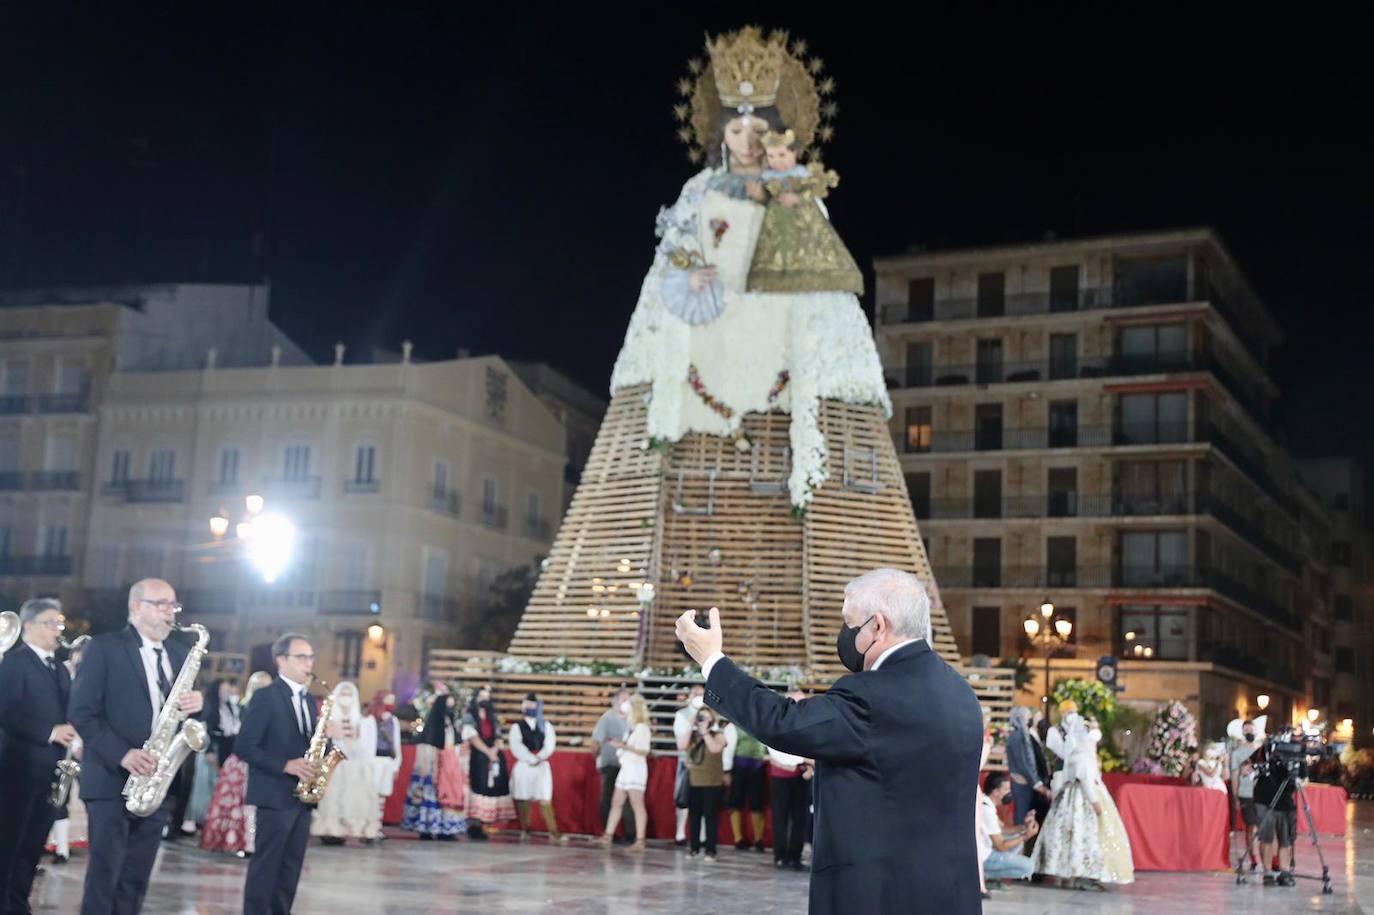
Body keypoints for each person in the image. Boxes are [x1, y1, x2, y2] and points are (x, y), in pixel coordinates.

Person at [675, 567, 984, 914]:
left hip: (878, 895)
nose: (845, 633)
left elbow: (783, 722)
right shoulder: (960, 692)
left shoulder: (871, 694)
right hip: (950, 894)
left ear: (878, 626)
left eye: (849, 622)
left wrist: (711, 661)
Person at [68, 578, 204, 915]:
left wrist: (199, 704)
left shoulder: (179, 652)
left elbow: (182, 716)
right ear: (136, 607)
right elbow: (82, 713)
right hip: (111, 779)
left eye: (173, 604)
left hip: (158, 781)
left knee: (136, 878)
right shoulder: (104, 648)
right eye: (161, 604)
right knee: (105, 875)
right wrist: (123, 754)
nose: (169, 612)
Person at [236, 633, 333, 915]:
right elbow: (244, 746)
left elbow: (304, 742)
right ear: (281, 660)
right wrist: (285, 765)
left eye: (311, 657)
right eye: (301, 657)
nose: (309, 663)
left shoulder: (308, 700)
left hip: (301, 797)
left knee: (291, 867)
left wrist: (327, 742)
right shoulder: (266, 697)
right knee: (266, 866)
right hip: (274, 793)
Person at [0, 599, 77, 914]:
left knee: (32, 847)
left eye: (58, 623)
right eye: (50, 623)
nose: (56, 630)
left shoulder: (59, 667)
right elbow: (6, 712)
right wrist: (50, 731)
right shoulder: (15, 662)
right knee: (8, 843)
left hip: (50, 770)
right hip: (17, 768)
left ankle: (18, 904)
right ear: (28, 626)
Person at [745, 128, 862, 294]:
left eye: (782, 155)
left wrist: (798, 199)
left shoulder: (803, 176)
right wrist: (758, 195)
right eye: (771, 156)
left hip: (802, 226)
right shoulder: (767, 177)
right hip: (775, 228)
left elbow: (815, 199)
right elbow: (766, 201)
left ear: (795, 153)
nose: (777, 162)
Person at [1030, 704, 1134, 889]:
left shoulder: (1075, 753)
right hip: (1085, 798)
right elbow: (1085, 779)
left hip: (1071, 795)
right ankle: (1084, 874)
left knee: (1069, 836)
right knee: (1084, 836)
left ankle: (1068, 873)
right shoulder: (1082, 755)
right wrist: (1095, 802)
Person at [200, 671, 272, 857]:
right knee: (237, 802)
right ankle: (238, 840)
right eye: (257, 685)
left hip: (263, 762)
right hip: (242, 761)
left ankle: (252, 842)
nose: (261, 689)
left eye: (266, 685)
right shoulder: (242, 707)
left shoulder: (271, 708)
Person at [311, 680, 381, 844]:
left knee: (356, 799)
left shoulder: (362, 720)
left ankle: (359, 830)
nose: (346, 698)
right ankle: (331, 831)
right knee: (334, 797)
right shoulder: (327, 718)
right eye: (343, 694)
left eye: (349, 695)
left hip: (355, 764)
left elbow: (366, 746)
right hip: (334, 765)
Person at [402, 685, 466, 840]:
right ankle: (427, 828)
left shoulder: (448, 722)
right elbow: (428, 744)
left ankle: (446, 830)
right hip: (433, 766)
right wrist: (428, 766)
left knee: (447, 795)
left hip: (448, 766)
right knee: (430, 795)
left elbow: (454, 743)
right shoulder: (434, 724)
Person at [50, 633, 90, 866]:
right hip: (62, 741)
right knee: (58, 797)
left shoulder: (91, 676)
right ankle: (61, 850)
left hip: (84, 744)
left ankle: (65, 846)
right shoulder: (61, 672)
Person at [1253, 727, 1306, 888]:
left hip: (1285, 800)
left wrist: (1297, 781)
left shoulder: (1298, 753)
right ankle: (1268, 873)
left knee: (1286, 839)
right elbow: (1249, 767)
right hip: (1264, 798)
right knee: (1267, 837)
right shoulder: (1266, 749)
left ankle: (1285, 872)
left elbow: (1303, 777)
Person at [766, 688, 812, 871]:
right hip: (782, 778)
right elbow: (779, 753)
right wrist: (804, 760)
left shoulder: (807, 724)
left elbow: (813, 748)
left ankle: (795, 857)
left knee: (800, 818)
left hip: (801, 777)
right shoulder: (777, 723)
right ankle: (780, 856)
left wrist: (809, 766)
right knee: (781, 818)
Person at [509, 692, 563, 842]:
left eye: (532, 704)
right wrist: (530, 758)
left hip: (541, 765)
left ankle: (553, 832)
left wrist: (539, 757)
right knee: (523, 797)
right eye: (526, 704)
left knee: (545, 797)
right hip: (524, 764)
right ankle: (525, 829)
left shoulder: (545, 725)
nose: (529, 707)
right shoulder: (516, 726)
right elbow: (516, 745)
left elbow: (550, 744)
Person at [600, 694, 651, 852]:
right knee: (617, 801)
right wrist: (621, 746)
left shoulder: (642, 728)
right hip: (627, 767)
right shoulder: (631, 728)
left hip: (636, 768)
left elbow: (644, 751)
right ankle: (608, 835)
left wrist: (623, 747)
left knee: (637, 804)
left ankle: (640, 840)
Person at [461, 685, 512, 838]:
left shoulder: (492, 715)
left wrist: (494, 751)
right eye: (481, 696)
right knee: (479, 785)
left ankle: (488, 823)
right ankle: (475, 824)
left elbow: (498, 735)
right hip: (478, 754)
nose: (484, 699)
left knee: (495, 785)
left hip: (494, 754)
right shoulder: (469, 715)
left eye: (486, 696)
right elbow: (472, 736)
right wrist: (487, 752)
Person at [591, 688, 636, 843]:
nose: (626, 703)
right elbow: (596, 742)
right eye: (623, 699)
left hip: (627, 764)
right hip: (609, 763)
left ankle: (631, 833)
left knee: (628, 799)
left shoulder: (631, 719)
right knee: (608, 797)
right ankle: (608, 832)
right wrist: (598, 759)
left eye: (628, 700)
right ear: (615, 701)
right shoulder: (607, 718)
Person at [977, 773, 1038, 886]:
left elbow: (1002, 828)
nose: (1009, 793)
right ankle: (982, 876)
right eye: (1006, 789)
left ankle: (987, 875)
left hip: (985, 849)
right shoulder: (986, 811)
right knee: (1029, 867)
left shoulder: (986, 803)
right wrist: (1026, 836)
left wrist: (1024, 827)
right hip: (984, 857)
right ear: (995, 792)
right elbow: (1001, 845)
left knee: (1016, 838)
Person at [686, 704, 728, 860]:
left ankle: (711, 850)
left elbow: (715, 749)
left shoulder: (718, 735)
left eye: (706, 717)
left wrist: (705, 732)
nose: (703, 720)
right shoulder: (693, 736)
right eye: (700, 717)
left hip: (712, 783)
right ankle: (694, 848)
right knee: (694, 817)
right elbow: (682, 745)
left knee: (711, 818)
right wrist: (690, 725)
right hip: (695, 782)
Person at [1005, 706, 1052, 832]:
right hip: (1022, 784)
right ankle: (1019, 849)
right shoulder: (1017, 736)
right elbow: (1023, 765)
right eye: (1027, 716)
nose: (1029, 719)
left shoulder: (1022, 735)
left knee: (1028, 819)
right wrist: (1037, 784)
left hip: (1027, 783)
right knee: (1022, 821)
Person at [1229, 717, 1264, 870]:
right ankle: (1254, 859)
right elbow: (1235, 776)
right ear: (1242, 732)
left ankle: (1259, 858)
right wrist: (1236, 796)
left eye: (1252, 729)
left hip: (1261, 794)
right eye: (1246, 730)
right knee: (1252, 827)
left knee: (1257, 828)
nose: (1249, 732)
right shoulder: (1237, 753)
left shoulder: (1261, 751)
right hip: (1245, 794)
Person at [671, 686, 704, 845]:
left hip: (705, 762)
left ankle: (703, 836)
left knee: (705, 799)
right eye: (695, 694)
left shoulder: (709, 713)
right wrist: (692, 719)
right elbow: (681, 741)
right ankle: (680, 833)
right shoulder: (681, 714)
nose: (698, 697)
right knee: (683, 798)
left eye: (701, 694)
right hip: (686, 760)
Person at [728, 721, 768, 851]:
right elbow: (729, 749)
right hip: (739, 766)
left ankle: (758, 839)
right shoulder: (734, 725)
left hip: (758, 766)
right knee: (736, 801)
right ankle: (738, 839)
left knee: (757, 802)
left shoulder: (763, 724)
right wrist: (726, 770)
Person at [368, 691, 403, 828]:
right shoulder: (371, 718)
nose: (391, 703)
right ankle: (368, 826)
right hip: (373, 760)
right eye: (388, 700)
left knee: (382, 794)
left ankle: (377, 826)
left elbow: (396, 743)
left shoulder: (393, 721)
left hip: (387, 761)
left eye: (392, 700)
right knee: (371, 794)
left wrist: (396, 765)